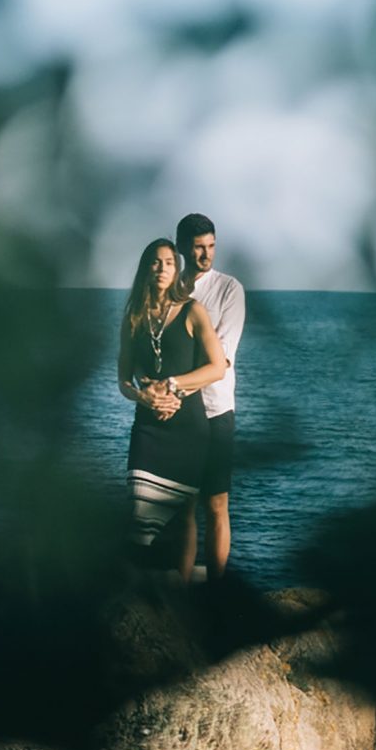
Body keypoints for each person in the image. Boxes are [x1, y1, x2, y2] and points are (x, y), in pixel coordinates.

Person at [118, 238, 226, 583]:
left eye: (168, 262)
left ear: (176, 270)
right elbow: (123, 379)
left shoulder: (194, 311)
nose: (162, 268)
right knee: (137, 510)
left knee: (185, 517)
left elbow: (217, 368)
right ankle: (136, 595)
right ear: (145, 269)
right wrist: (143, 396)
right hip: (148, 428)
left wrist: (173, 386)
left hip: (188, 430)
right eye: (155, 262)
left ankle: (179, 597)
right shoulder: (133, 317)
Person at [175, 213, 245, 579]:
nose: (207, 254)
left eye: (212, 246)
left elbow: (222, 357)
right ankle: (183, 588)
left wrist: (173, 381)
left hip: (216, 410)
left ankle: (217, 592)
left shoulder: (229, 289)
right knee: (183, 505)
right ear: (184, 247)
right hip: (179, 414)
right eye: (200, 247)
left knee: (216, 504)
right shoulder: (172, 289)